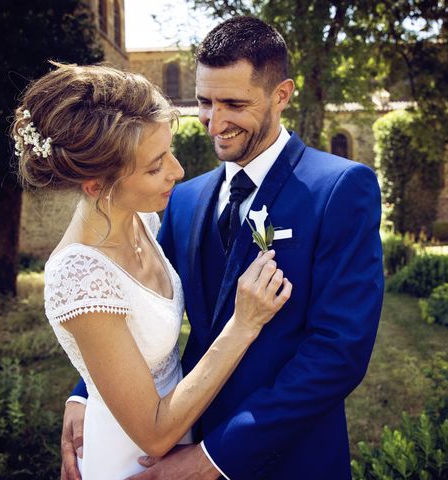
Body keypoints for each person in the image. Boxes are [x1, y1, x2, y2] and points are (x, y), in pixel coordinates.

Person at [62, 16, 384, 480]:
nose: (215, 121)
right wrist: (85, 392)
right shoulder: (186, 198)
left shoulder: (338, 188)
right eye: (204, 101)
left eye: (234, 103)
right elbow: (132, 304)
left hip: (290, 457)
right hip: (177, 437)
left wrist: (212, 458)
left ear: (282, 95)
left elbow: (339, 353)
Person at [12, 62, 292, 479]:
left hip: (180, 436)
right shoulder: (78, 276)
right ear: (96, 185)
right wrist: (244, 324)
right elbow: (155, 434)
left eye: (169, 152)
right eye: (155, 165)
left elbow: (126, 347)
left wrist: (84, 394)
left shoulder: (144, 221)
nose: (178, 172)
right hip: (132, 459)